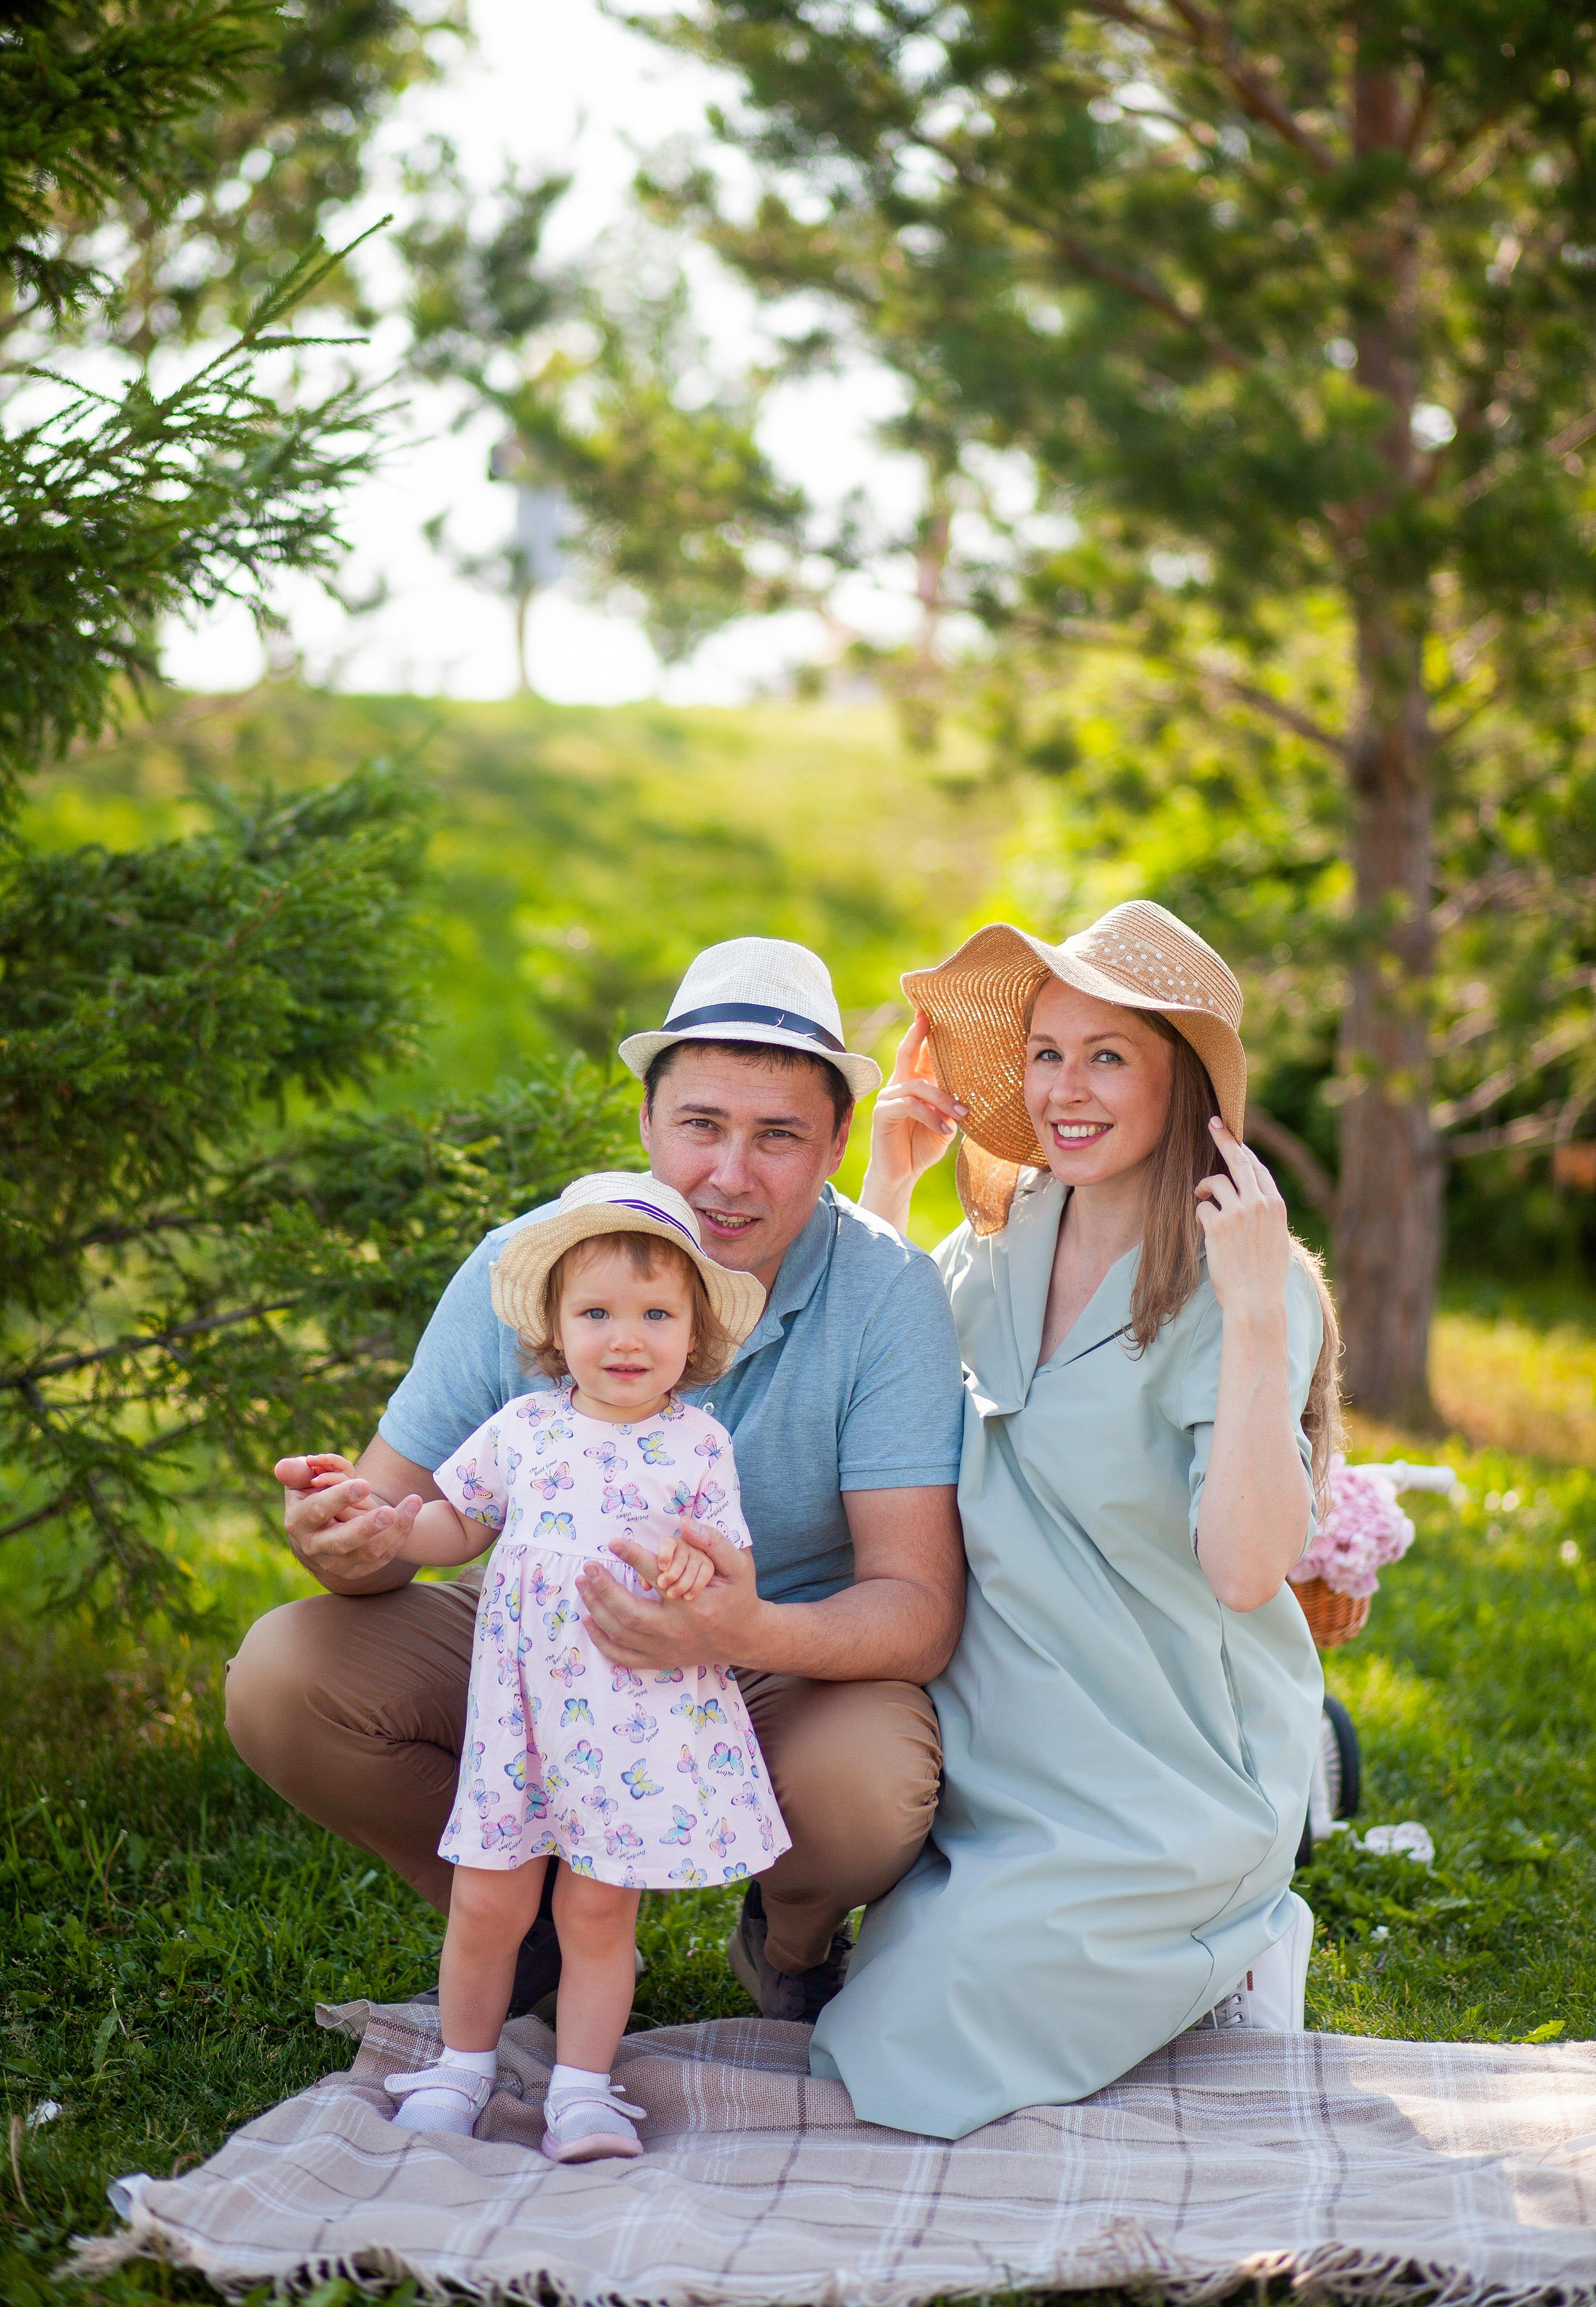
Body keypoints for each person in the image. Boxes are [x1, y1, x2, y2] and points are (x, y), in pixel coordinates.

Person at [225, 938, 966, 2025]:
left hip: (780, 1655)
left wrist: (730, 1631)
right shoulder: (527, 1263)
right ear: (647, 1124)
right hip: (536, 1624)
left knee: (864, 1796)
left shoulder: (885, 1293)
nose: (730, 1174)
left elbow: (918, 1612)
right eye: (701, 1126)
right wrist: (341, 1538)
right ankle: (520, 1927)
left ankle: (791, 1942)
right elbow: (388, 1518)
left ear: (836, 1146)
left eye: (779, 1138)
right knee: (284, 1675)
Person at [809, 901, 1338, 2138]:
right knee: (856, 2039)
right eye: (1045, 1052)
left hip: (1169, 1768)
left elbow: (1251, 1567)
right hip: (1002, 1759)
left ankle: (1247, 1930)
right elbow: (865, 1420)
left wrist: (1259, 1315)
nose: (1064, 1088)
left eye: (1107, 1056)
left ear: (1183, 1085)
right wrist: (887, 1178)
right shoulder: (988, 1250)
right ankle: (1138, 1954)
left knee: (910, 2062)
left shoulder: (1240, 1283)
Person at [326, 1173, 789, 2161]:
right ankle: (462, 2067)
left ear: (696, 1334)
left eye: (656, 1314)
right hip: (519, 1716)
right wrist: (402, 1523)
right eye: (597, 1313)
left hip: (627, 1722)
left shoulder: (698, 1445)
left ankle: (581, 2089)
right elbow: (460, 1523)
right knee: (491, 1895)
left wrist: (689, 1557)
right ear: (554, 1326)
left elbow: (734, 1564)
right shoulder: (526, 1428)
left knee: (595, 1906)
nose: (627, 1338)